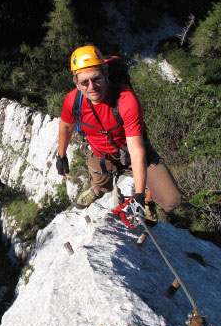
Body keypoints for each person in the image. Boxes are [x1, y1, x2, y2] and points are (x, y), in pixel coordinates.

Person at [55, 45, 181, 218]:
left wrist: (139, 195)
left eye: (96, 79)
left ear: (106, 72)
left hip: (130, 152)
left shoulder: (126, 100)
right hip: (100, 155)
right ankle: (98, 190)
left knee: (171, 200)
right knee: (102, 184)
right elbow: (66, 126)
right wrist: (61, 156)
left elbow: (136, 150)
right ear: (75, 81)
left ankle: (149, 198)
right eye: (84, 82)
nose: (92, 87)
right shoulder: (73, 101)